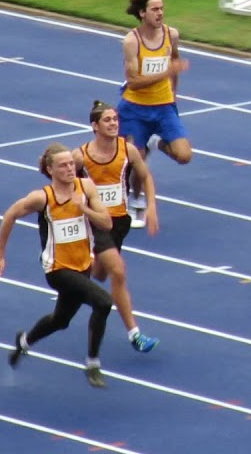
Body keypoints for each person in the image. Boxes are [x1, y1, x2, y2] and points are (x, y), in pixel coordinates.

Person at [0, 143, 114, 388]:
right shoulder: (42, 198)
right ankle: (92, 363)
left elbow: (107, 223)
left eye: (71, 164)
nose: (70, 169)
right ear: (50, 169)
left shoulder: (85, 188)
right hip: (57, 269)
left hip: (82, 265)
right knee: (104, 302)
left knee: (61, 320)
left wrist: (84, 208)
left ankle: (23, 341)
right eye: (63, 165)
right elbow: (10, 215)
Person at [74, 100, 160, 353]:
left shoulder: (128, 150)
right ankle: (135, 335)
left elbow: (145, 176)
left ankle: (71, 269)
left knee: (100, 274)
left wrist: (151, 206)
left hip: (119, 222)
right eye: (108, 120)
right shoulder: (80, 156)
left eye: (115, 119)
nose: (113, 124)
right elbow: (58, 175)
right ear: (95, 126)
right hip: (95, 222)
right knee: (119, 272)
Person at [119, 0, 190, 227]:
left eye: (162, 9)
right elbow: (134, 81)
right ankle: (133, 200)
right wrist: (167, 73)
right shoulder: (132, 41)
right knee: (134, 161)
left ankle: (155, 142)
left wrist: (174, 95)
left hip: (164, 106)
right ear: (142, 13)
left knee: (184, 155)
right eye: (154, 9)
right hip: (136, 108)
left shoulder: (172, 35)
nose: (160, 13)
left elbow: (175, 62)